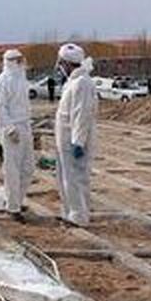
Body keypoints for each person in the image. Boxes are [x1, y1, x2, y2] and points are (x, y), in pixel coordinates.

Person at [55, 43, 98, 226]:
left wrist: (78, 142)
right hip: (66, 138)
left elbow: (81, 114)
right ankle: (70, 212)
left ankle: (79, 216)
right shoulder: (73, 82)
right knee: (66, 178)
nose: (59, 67)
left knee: (75, 179)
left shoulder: (82, 83)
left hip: (73, 140)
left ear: (67, 63)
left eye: (61, 63)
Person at [0, 49, 34, 220]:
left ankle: (16, 200)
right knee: (12, 170)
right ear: (12, 61)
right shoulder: (2, 81)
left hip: (24, 126)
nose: (22, 62)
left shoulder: (21, 79)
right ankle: (13, 207)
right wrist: (9, 128)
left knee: (28, 168)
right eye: (19, 60)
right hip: (12, 129)